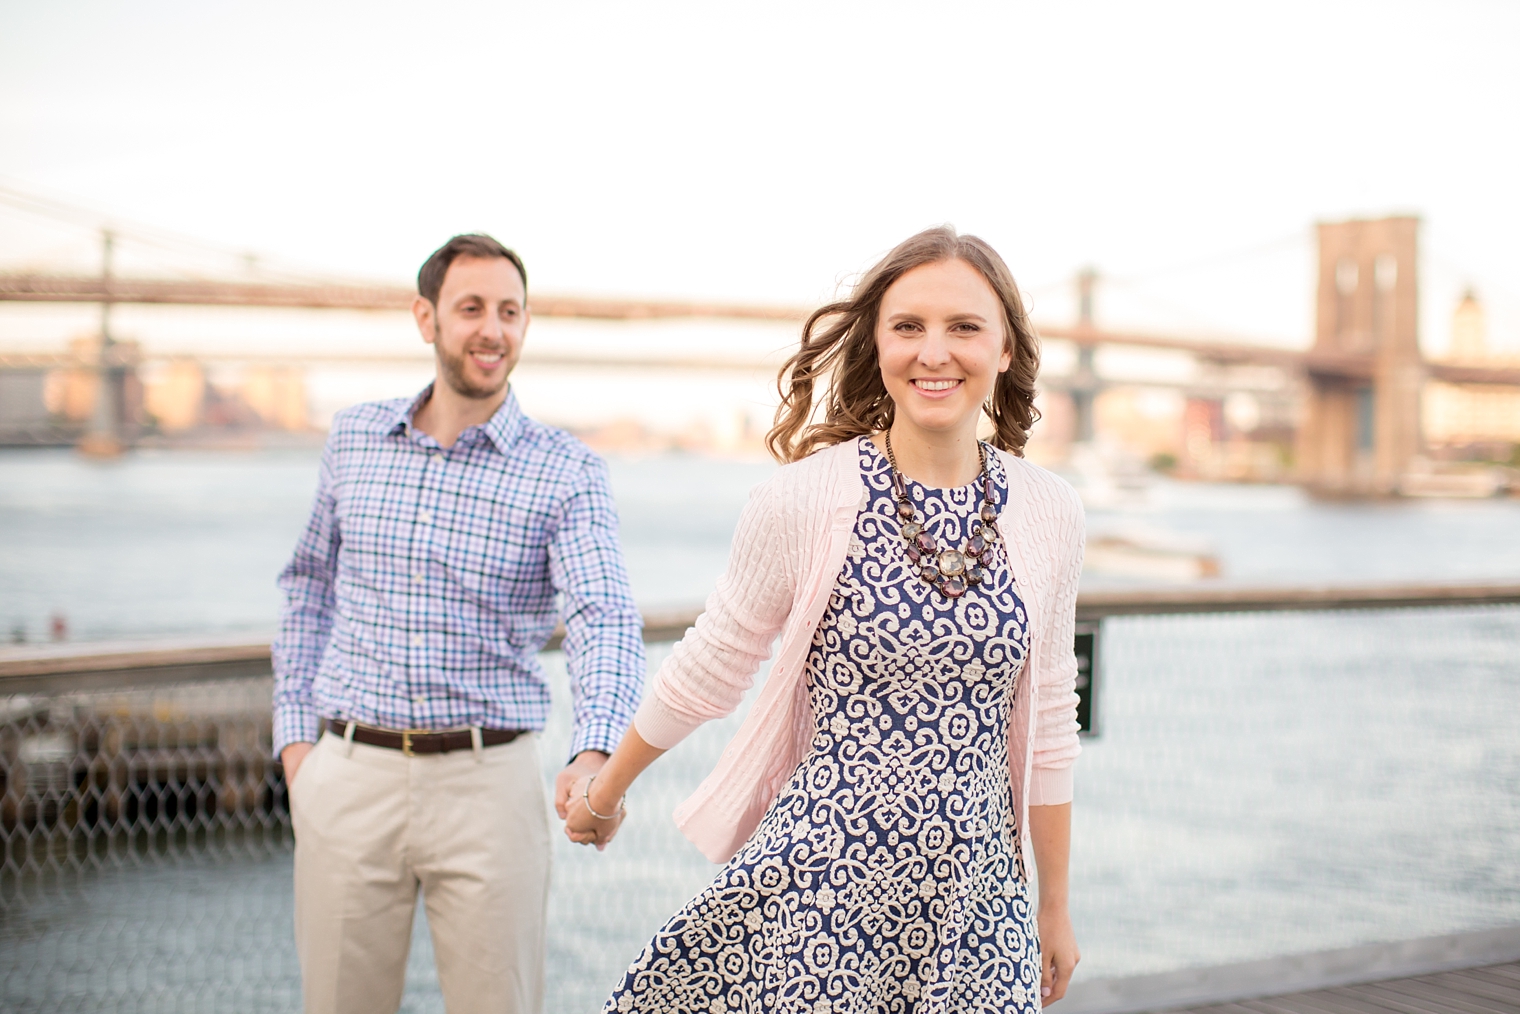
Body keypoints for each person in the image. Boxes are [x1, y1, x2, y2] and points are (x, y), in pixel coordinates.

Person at [566, 226, 1084, 1012]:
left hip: (980, 907)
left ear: (1006, 350)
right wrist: (607, 788)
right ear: (876, 344)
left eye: (964, 327)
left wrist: (1054, 904)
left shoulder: (1050, 511)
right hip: (823, 891)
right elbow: (716, 660)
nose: (934, 352)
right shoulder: (804, 497)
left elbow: (1049, 715)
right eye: (907, 326)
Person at [273, 234, 645, 1014]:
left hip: (490, 785)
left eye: (510, 312)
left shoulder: (565, 468)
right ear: (426, 318)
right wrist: (296, 744)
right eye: (472, 308)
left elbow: (602, 614)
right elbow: (307, 585)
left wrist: (595, 749)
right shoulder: (354, 438)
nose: (493, 330)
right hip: (345, 775)